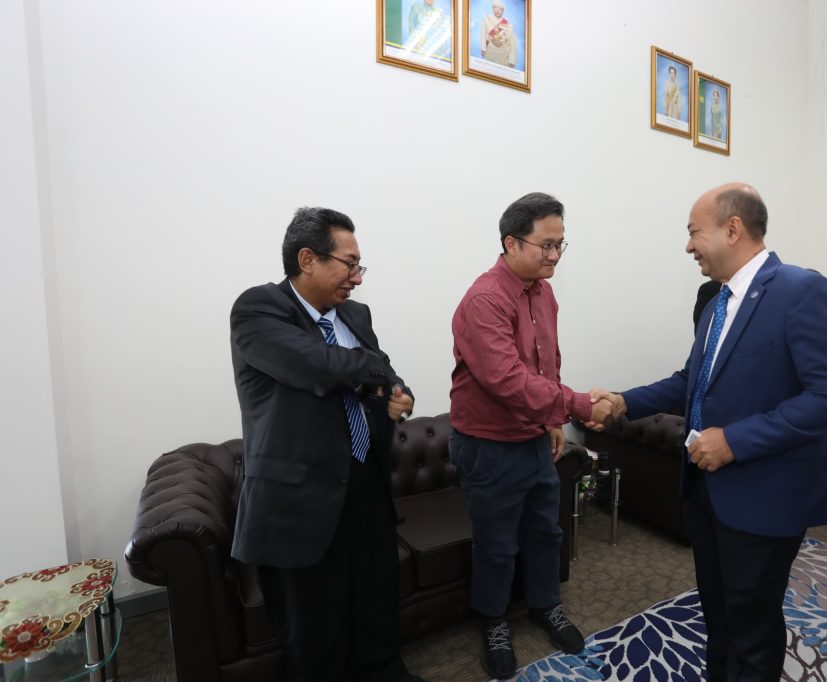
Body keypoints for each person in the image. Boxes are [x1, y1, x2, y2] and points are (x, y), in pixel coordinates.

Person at [590, 183, 827, 681]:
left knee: (752, 627)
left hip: (764, 496)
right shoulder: (716, 302)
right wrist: (624, 402)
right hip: (705, 492)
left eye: (694, 232)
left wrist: (735, 441)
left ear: (732, 229)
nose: (688, 245)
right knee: (719, 616)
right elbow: (690, 382)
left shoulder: (801, 290)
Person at [229, 207, 422, 682]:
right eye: (349, 264)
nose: (357, 278)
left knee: (375, 602)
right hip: (300, 496)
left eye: (359, 266)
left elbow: (381, 368)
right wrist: (378, 373)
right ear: (308, 259)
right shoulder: (258, 309)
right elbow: (319, 366)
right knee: (314, 626)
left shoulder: (355, 314)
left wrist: (398, 393)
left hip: (365, 479)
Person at [449, 192, 613, 680]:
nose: (555, 255)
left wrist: (553, 423)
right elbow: (507, 380)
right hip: (489, 444)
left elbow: (546, 364)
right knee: (496, 544)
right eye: (546, 245)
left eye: (561, 244)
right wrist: (578, 405)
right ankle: (494, 621)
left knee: (546, 532)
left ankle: (545, 605)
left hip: (535, 439)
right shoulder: (484, 300)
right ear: (511, 243)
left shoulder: (543, 292)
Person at [481, 0, 516, 68]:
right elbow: (483, 34)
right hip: (490, 53)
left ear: (503, 10)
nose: (498, 10)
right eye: (495, 7)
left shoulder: (509, 24)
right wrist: (483, 48)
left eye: (500, 8)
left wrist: (512, 60)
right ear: (492, 8)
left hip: (503, 56)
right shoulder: (487, 19)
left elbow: (512, 43)